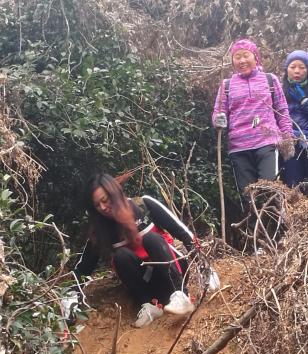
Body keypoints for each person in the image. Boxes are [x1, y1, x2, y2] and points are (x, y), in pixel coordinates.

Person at [74, 173, 197, 328]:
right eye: (97, 205)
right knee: (120, 256)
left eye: (105, 200)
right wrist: (70, 294)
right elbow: (83, 268)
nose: (103, 208)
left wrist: (204, 267)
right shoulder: (100, 231)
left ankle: (181, 295)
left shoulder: (143, 205)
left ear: (115, 194)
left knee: (151, 239)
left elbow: (183, 232)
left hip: (173, 270)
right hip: (149, 284)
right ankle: (150, 306)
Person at [212, 38, 294, 204]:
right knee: (248, 196)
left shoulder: (270, 80)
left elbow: (282, 111)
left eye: (246, 55)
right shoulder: (226, 85)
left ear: (255, 57)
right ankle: (253, 222)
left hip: (267, 143)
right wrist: (218, 120)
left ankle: (274, 221)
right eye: (237, 57)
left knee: (270, 191)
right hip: (239, 147)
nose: (242, 60)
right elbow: (218, 113)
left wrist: (288, 138)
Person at [280, 50, 308, 195]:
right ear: (287, 69)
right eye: (293, 67)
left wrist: (304, 101)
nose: (297, 71)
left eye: (302, 67)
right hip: (289, 140)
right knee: (293, 183)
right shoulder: (279, 90)